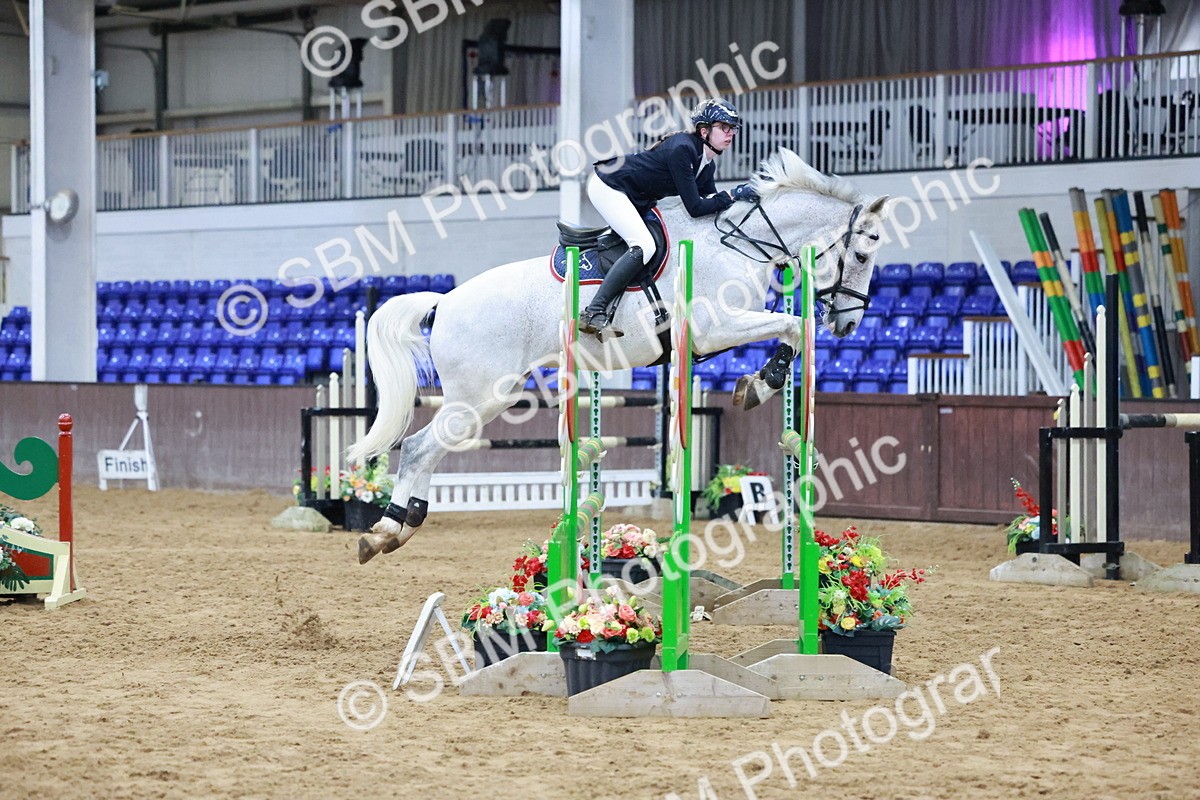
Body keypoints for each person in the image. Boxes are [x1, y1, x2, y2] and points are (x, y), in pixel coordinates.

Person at [580, 98, 759, 336]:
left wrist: (743, 205)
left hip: (635, 196)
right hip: (609, 185)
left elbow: (712, 208)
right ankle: (594, 310)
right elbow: (695, 208)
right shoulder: (683, 149)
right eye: (724, 127)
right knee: (644, 245)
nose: (730, 134)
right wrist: (732, 194)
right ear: (704, 131)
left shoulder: (706, 165)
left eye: (733, 129)